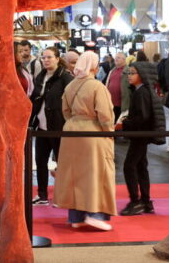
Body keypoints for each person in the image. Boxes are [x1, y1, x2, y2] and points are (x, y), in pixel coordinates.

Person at [54, 51, 116, 230]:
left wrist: (75, 122)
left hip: (71, 132)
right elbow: (105, 115)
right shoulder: (97, 86)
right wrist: (108, 133)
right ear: (94, 66)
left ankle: (76, 217)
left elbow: (65, 111)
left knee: (74, 176)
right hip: (93, 133)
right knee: (95, 174)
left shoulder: (70, 85)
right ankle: (94, 214)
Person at [29, 46, 73, 205]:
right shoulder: (40, 76)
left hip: (58, 126)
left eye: (49, 57)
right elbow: (35, 98)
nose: (46, 60)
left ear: (57, 58)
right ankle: (42, 194)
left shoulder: (65, 77)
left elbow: (72, 100)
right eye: (43, 57)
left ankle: (63, 195)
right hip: (41, 127)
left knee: (62, 162)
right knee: (40, 161)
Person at [119, 61, 160, 216]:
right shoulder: (141, 91)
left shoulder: (141, 93)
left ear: (141, 75)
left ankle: (136, 201)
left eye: (132, 73)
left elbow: (142, 117)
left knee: (129, 166)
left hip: (140, 134)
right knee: (141, 167)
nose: (129, 76)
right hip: (140, 134)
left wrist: (125, 123)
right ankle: (145, 201)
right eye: (129, 73)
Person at [104, 52, 129, 119]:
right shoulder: (112, 71)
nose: (116, 59)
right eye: (115, 57)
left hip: (123, 105)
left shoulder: (128, 71)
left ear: (124, 60)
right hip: (111, 104)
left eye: (118, 57)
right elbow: (107, 84)